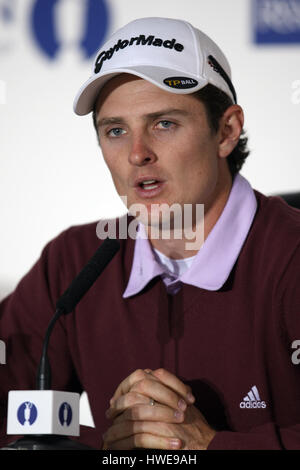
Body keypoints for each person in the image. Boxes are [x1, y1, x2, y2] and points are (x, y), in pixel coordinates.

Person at [1, 17, 300, 450]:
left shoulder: (290, 255)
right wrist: (111, 445)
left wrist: (207, 447)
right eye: (116, 131)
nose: (137, 154)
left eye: (163, 123)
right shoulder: (73, 262)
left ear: (226, 131)